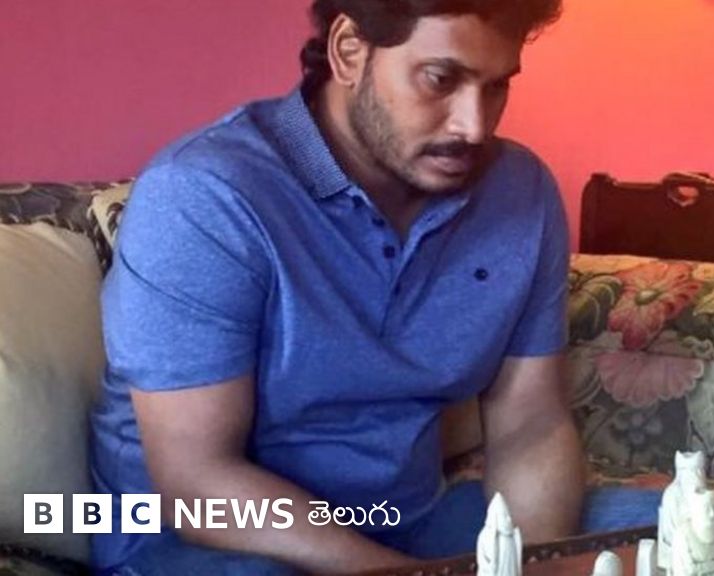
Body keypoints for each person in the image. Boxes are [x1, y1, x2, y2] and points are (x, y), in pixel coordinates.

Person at [89, 1, 659, 574]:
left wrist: (533, 566)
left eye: (495, 87)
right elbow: (196, 482)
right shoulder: (205, 196)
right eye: (441, 79)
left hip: (405, 523)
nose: (474, 126)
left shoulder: (520, 192)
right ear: (348, 51)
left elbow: (530, 424)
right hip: (201, 539)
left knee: (680, 534)